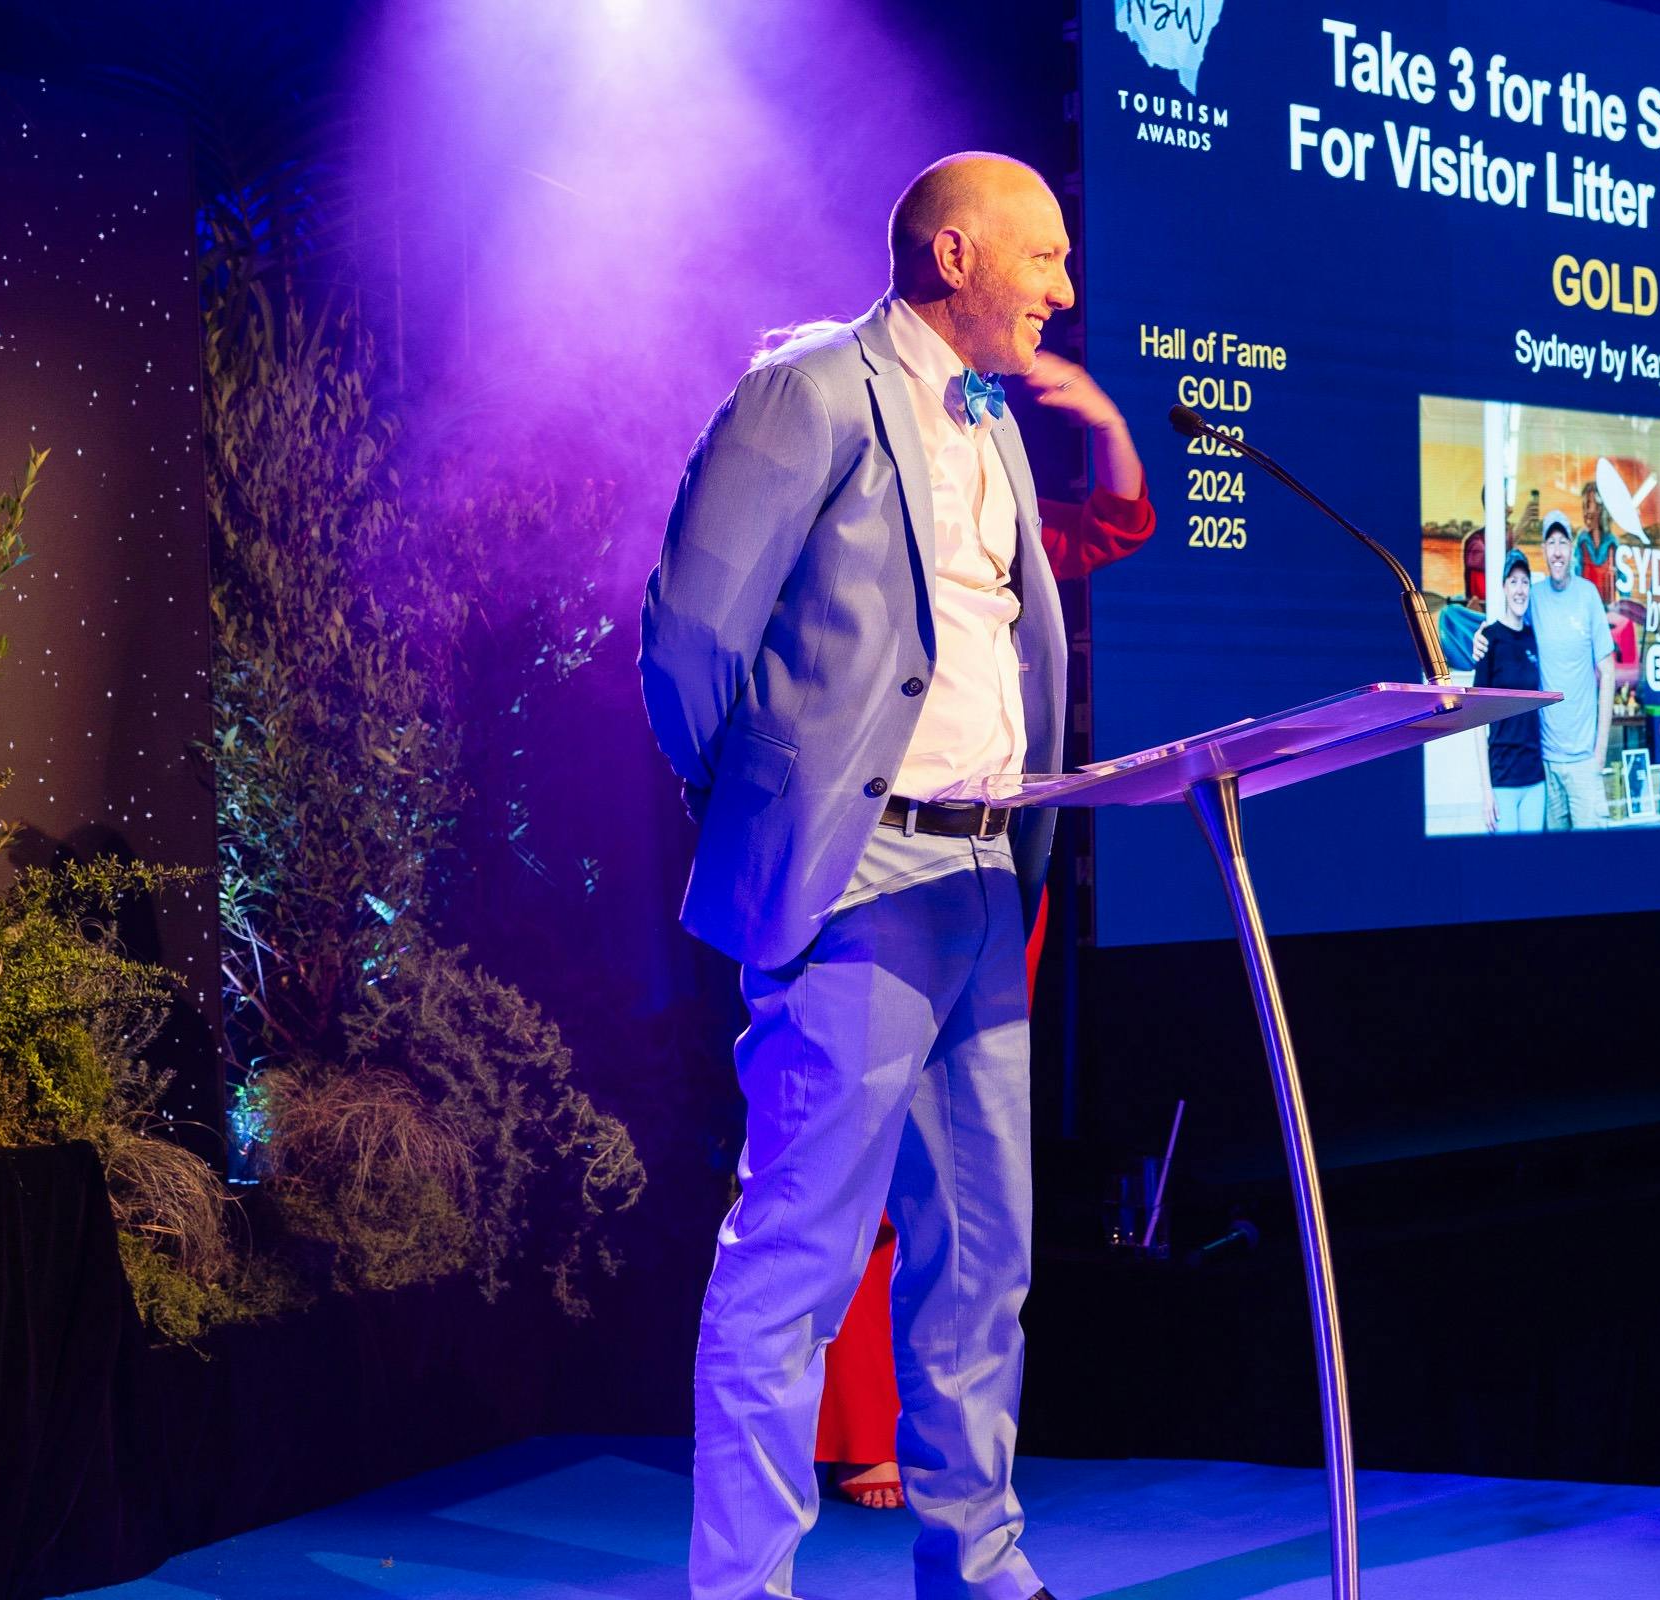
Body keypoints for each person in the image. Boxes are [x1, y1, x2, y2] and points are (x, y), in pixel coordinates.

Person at [639, 152, 1094, 1600]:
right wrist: (774, 818)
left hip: (980, 879)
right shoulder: (813, 390)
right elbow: (689, 638)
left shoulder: (993, 425)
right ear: (956, 256)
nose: (1065, 292)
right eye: (1047, 260)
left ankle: (977, 1565)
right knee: (797, 1263)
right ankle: (743, 1588)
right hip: (857, 876)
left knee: (981, 1261)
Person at [819, 360, 1154, 1515]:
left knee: (966, 1197)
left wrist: (1104, 417)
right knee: (857, 1157)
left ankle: (963, 1502)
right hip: (867, 853)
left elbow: (1110, 527)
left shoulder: (997, 504)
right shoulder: (842, 468)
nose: (1058, 292)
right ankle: (859, 1430)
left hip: (998, 853)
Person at [1530, 510, 1615, 830]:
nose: (1556, 551)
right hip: (1546, 761)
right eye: (1550, 543)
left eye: (1562, 542)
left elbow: (1608, 671)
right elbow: (1506, 629)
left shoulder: (1588, 595)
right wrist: (1482, 635)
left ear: (1572, 548)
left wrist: (1600, 752)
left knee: (1594, 865)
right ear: (1543, 550)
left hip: (1584, 762)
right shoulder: (1533, 597)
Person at [1474, 548, 1545, 833]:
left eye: (1525, 582)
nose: (1520, 589)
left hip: (1534, 778)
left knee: (1533, 868)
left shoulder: (1533, 637)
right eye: (1513, 581)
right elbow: (1476, 721)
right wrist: (1486, 790)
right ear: (1504, 587)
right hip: (1502, 777)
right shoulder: (1489, 639)